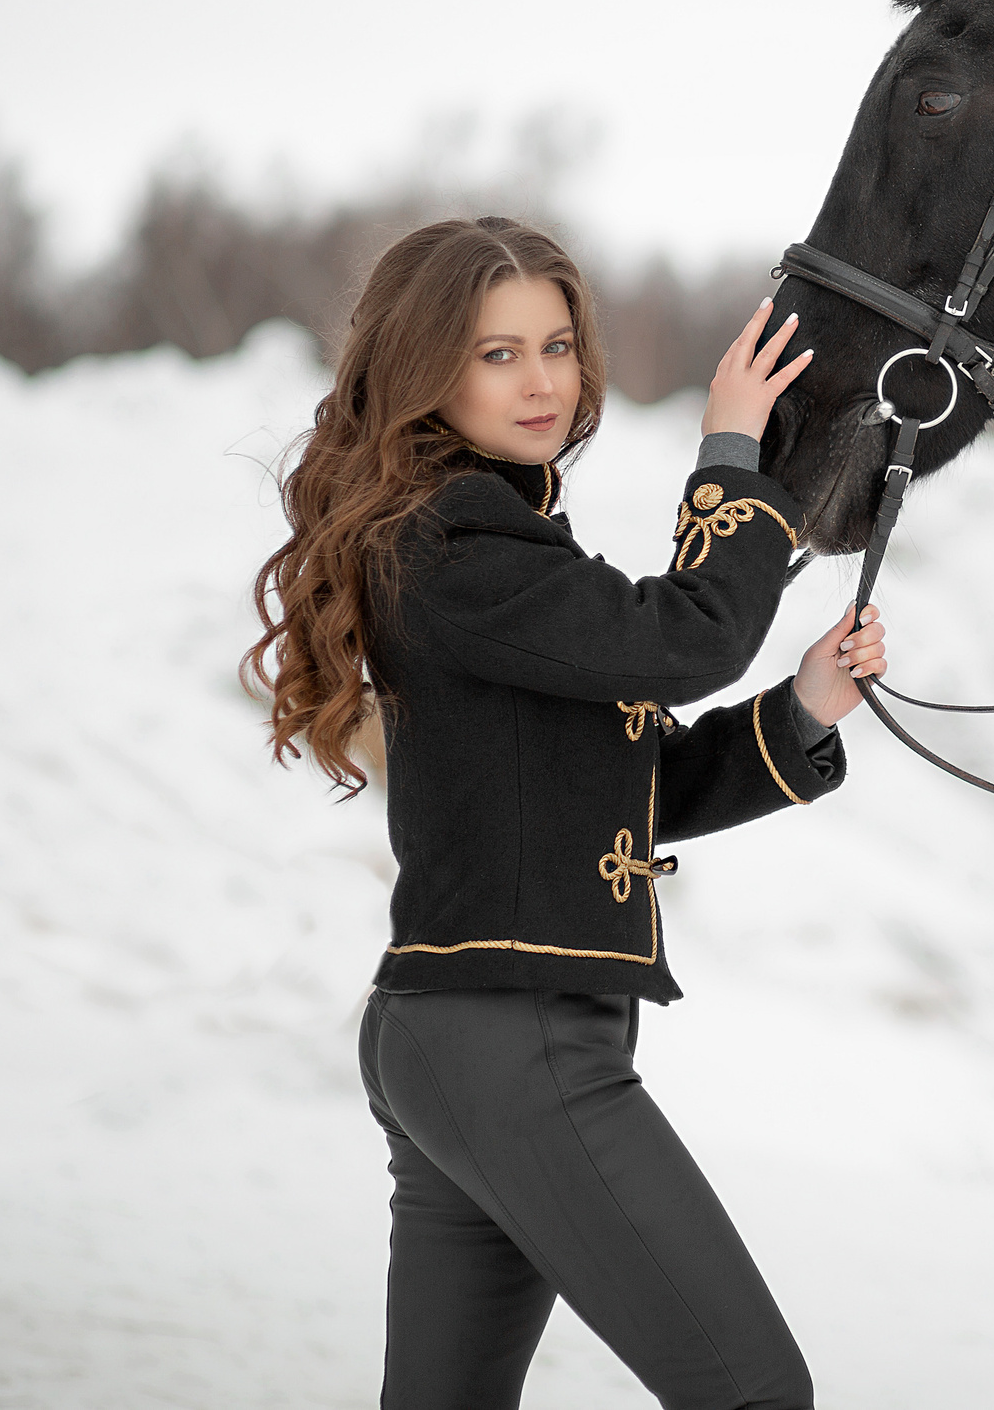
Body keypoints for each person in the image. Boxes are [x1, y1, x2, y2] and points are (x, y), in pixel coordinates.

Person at [244, 216, 881, 1409]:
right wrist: (731, 450)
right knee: (753, 1392)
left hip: (459, 1029)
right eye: (495, 354)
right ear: (422, 365)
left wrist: (799, 710)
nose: (541, 382)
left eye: (556, 346)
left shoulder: (481, 534)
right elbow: (685, 638)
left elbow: (619, 786)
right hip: (512, 1037)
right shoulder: (453, 541)